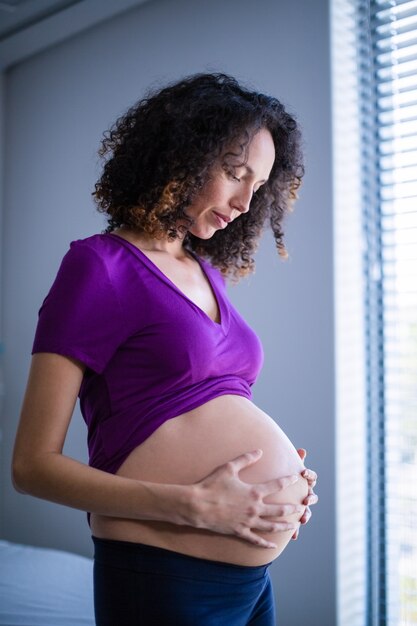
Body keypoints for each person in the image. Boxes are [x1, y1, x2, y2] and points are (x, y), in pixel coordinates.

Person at [12, 72, 318, 626]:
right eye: (234, 173)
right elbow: (32, 467)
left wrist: (283, 487)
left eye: (260, 184)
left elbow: (205, 410)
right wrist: (195, 504)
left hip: (250, 579)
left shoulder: (208, 272)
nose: (247, 201)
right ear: (181, 155)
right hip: (164, 573)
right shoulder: (98, 267)